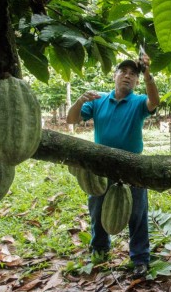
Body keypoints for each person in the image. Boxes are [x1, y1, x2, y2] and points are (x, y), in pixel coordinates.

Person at [67, 55, 159, 278]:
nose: (128, 76)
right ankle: (99, 249)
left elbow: (154, 102)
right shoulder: (98, 100)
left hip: (132, 166)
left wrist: (148, 74)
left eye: (133, 74)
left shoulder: (138, 102)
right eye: (123, 72)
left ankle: (140, 258)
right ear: (115, 76)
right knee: (97, 209)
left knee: (137, 213)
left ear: (137, 81)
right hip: (101, 166)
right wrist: (80, 101)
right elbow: (71, 120)